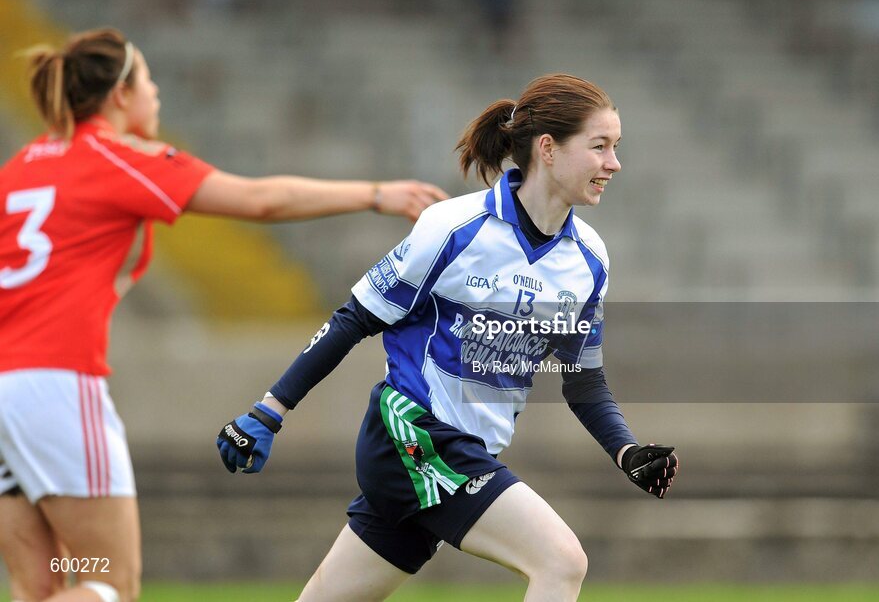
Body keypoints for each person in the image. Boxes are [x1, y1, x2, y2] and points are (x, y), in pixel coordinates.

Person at [0, 27, 447, 602]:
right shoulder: (119, 160)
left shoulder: (22, 167)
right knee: (108, 582)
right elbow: (260, 199)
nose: (155, 92)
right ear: (119, 95)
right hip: (54, 386)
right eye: (147, 79)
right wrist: (376, 194)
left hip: (6, 395)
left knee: (38, 586)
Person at [217, 73, 679, 601]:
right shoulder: (455, 227)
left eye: (615, 147)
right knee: (561, 561)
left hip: (462, 452)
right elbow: (354, 319)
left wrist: (627, 452)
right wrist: (270, 409)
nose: (613, 163)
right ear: (548, 149)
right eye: (600, 147)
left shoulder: (589, 260)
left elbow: (584, 382)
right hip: (413, 434)